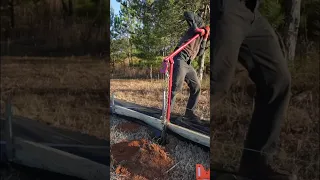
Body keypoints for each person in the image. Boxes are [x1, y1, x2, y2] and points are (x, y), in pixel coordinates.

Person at [210, 0, 296, 180]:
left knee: (277, 81)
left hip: (252, 11)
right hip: (227, 7)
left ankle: (255, 165)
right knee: (217, 84)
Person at [170, 11, 210, 122]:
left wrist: (205, 38)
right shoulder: (199, 24)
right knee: (175, 87)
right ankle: (166, 114)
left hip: (188, 63)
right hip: (180, 58)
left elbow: (200, 53)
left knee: (196, 87)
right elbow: (187, 13)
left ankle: (189, 113)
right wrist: (197, 29)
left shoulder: (203, 37)